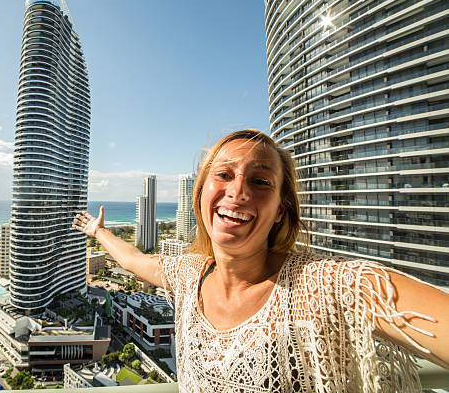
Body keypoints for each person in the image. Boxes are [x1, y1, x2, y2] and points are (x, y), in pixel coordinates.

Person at [73, 129, 449, 392]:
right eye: (224, 174)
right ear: (201, 193)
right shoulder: (190, 273)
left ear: (281, 210)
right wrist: (99, 232)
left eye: (261, 181)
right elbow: (136, 261)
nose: (237, 190)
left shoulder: (323, 286)